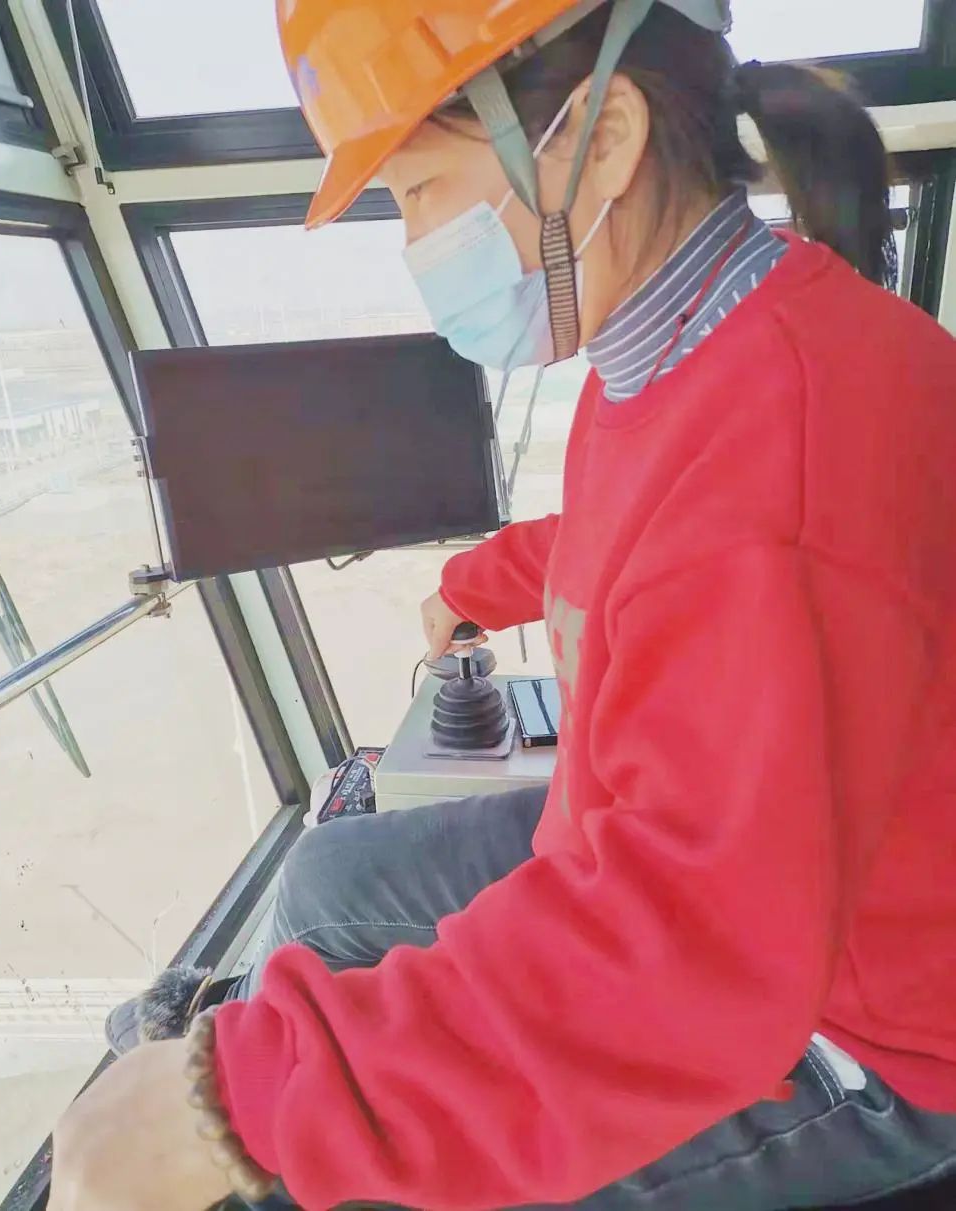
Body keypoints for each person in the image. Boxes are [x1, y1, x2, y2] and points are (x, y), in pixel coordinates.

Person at [48, 1, 956, 1209]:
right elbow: (646, 530)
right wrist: (474, 583)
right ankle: (252, 1044)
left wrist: (234, 1107)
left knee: (372, 1181)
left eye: (421, 189)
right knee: (325, 878)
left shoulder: (789, 444)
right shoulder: (687, 345)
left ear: (604, 137)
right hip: (691, 856)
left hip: (868, 1034)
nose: (414, 241)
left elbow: (688, 951)